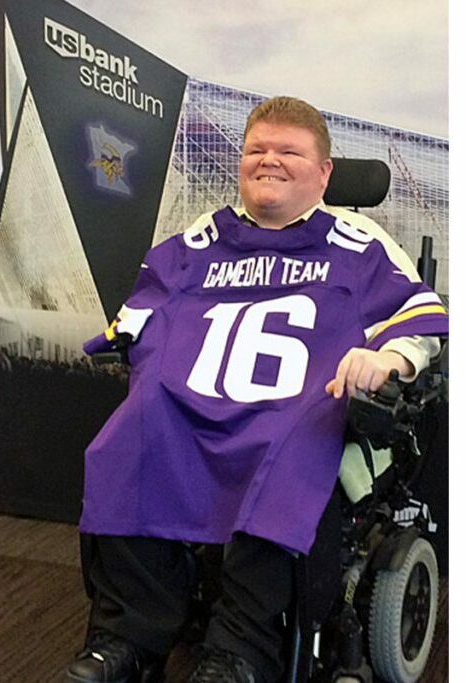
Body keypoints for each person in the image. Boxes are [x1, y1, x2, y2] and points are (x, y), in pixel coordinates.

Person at [67, 97, 448, 683]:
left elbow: (417, 314)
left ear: (324, 173)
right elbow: (144, 308)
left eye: (289, 151)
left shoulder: (358, 241)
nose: (268, 161)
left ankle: (241, 653)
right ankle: (127, 638)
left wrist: (388, 356)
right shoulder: (204, 235)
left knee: (291, 452)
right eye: (256, 150)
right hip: (198, 399)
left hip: (297, 405)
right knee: (131, 430)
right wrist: (136, 343)